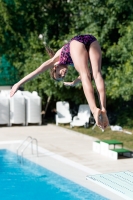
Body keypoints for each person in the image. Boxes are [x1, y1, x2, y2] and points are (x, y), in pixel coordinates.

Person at [10, 34, 109, 129]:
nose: (63, 74)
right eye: (62, 76)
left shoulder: (55, 60)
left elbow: (37, 72)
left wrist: (18, 84)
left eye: (59, 74)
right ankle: (103, 109)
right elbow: (89, 73)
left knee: (85, 75)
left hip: (76, 42)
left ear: (55, 68)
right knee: (96, 74)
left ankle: (94, 110)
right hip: (91, 39)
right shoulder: (71, 60)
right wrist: (75, 82)